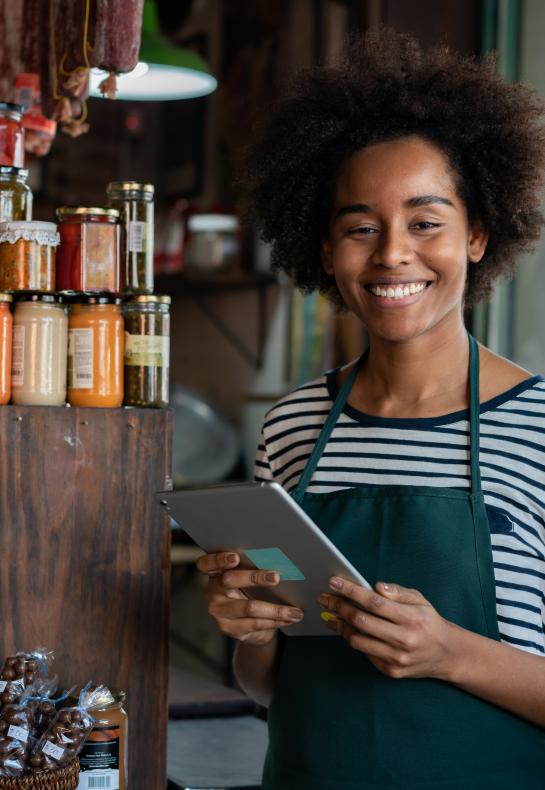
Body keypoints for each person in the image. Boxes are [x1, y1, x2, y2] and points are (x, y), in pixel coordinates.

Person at [197, 29, 545, 788]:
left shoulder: (539, 429)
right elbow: (267, 686)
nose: (391, 254)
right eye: (360, 228)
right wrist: (248, 630)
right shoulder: (292, 427)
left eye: (426, 222)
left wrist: (448, 653)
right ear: (325, 250)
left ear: (477, 235)